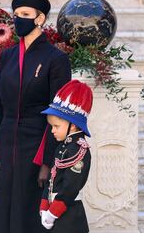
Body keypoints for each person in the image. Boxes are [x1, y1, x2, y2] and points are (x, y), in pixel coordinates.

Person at [0, 0, 72, 233]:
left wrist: (47, 162)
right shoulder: (7, 56)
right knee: (4, 207)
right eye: (16, 15)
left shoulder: (56, 59)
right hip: (7, 140)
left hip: (36, 143)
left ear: (40, 18)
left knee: (29, 208)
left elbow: (58, 113)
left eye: (25, 15)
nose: (19, 19)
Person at [39, 79, 93, 233]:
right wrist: (44, 206)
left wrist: (52, 213)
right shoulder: (62, 147)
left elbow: (70, 187)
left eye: (56, 126)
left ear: (73, 125)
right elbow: (51, 178)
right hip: (55, 214)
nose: (52, 131)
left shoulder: (78, 149)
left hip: (69, 216)